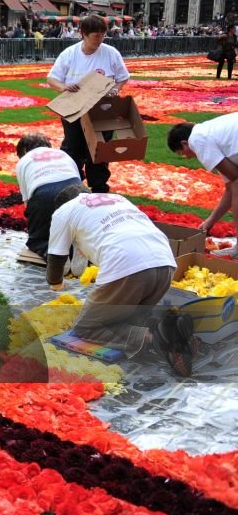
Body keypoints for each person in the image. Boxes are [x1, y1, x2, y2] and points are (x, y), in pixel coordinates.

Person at [46, 184, 196, 375]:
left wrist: (55, 283)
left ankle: (157, 337)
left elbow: (56, 258)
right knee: (129, 318)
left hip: (128, 265)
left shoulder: (63, 211)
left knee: (86, 328)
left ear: (61, 205)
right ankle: (171, 327)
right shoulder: (116, 199)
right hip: (165, 261)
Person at [46, 15, 130, 194]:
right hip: (74, 107)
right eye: (96, 36)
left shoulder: (110, 53)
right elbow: (52, 78)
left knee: (99, 149)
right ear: (83, 34)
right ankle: (72, 183)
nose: (99, 41)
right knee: (72, 147)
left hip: (102, 109)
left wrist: (115, 90)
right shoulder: (69, 53)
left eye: (102, 36)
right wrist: (64, 87)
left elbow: (123, 78)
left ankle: (99, 187)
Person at [168, 113, 238, 242]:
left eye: (182, 153)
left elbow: (234, 179)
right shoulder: (207, 131)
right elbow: (229, 188)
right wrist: (210, 222)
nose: (188, 157)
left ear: (184, 143)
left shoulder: (196, 140)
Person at [15, 133, 82, 259]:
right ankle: (79, 251)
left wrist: (37, 223)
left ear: (23, 150)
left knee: (38, 239)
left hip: (45, 193)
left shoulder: (24, 160)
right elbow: (77, 180)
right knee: (79, 231)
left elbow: (27, 203)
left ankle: (52, 255)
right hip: (77, 191)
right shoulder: (63, 154)